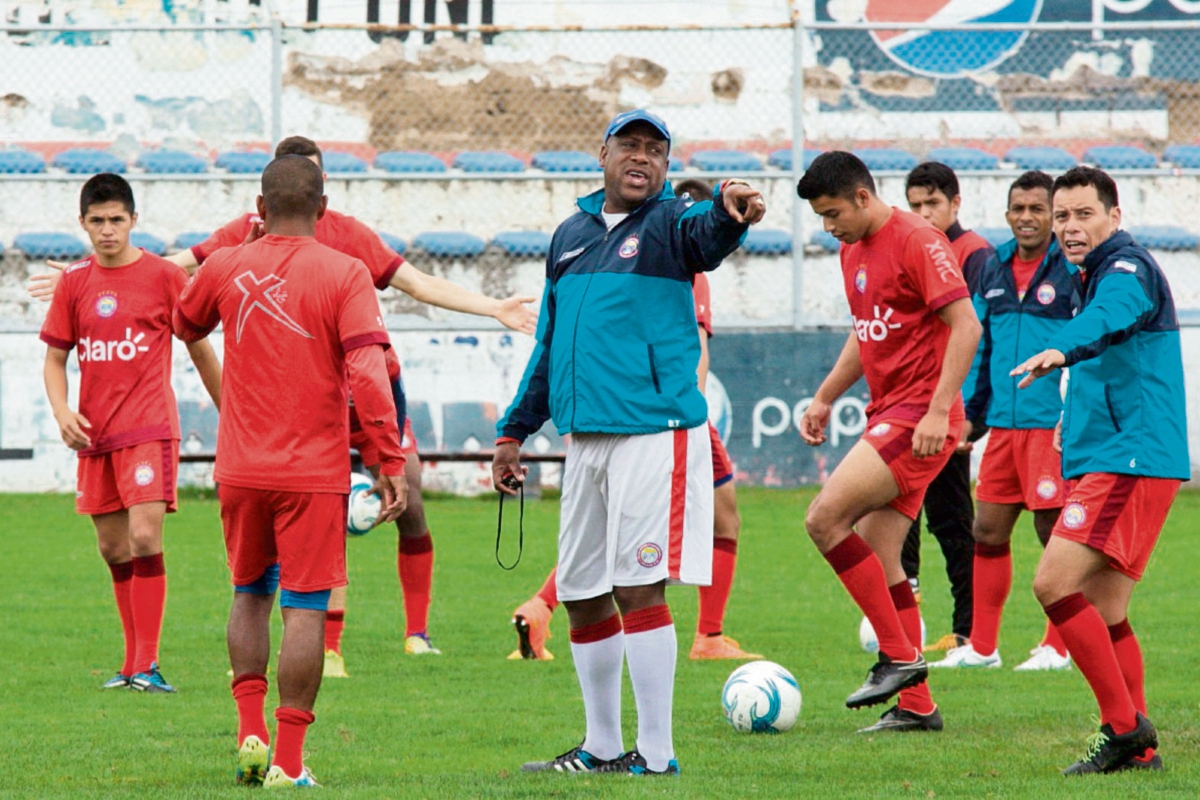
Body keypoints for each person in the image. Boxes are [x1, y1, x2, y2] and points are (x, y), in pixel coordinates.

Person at [29, 136, 536, 672]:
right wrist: (95, 270)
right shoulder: (241, 240)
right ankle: (329, 649)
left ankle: (415, 631)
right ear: (273, 198)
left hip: (369, 384)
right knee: (311, 522)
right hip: (300, 401)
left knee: (405, 498)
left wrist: (491, 306)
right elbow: (171, 268)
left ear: (320, 194)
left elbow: (415, 282)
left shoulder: (348, 237)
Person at [492, 109, 765, 775]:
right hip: (584, 438)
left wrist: (729, 214)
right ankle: (602, 746)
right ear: (604, 154)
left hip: (654, 433)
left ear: (668, 167)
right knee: (584, 590)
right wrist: (513, 430)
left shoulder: (674, 224)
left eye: (655, 150)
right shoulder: (570, 234)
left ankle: (659, 754)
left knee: (639, 587)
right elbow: (550, 344)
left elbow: (708, 236)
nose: (641, 158)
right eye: (629, 146)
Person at [174, 155, 407, 788]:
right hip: (312, 472)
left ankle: (250, 729)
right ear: (324, 208)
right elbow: (368, 373)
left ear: (259, 205)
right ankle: (290, 762)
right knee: (305, 610)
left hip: (241, 468)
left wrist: (240, 256)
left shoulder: (225, 264)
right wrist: (388, 457)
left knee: (249, 592)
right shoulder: (346, 271)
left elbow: (185, 321)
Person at [507, 178, 761, 664]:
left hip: (627, 413)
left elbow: (714, 233)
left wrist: (729, 212)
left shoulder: (667, 237)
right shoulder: (668, 252)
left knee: (612, 550)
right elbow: (696, 348)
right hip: (667, 415)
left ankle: (541, 604)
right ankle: (709, 635)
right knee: (689, 537)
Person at [796, 151, 981, 734]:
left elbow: (967, 326)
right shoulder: (852, 248)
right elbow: (866, 330)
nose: (829, 227)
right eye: (820, 218)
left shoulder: (918, 239)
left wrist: (935, 411)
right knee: (879, 554)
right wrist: (825, 395)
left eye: (832, 214)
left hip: (917, 419)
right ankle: (918, 706)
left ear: (861, 197)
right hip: (891, 411)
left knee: (825, 519)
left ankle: (900, 657)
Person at [1011, 166, 1187, 775]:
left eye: (1083, 214)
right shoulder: (1090, 275)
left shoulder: (1125, 269)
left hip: (1130, 458)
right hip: (1119, 455)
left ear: (1114, 217)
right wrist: (1070, 413)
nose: (1069, 227)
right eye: (1062, 216)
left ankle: (1122, 728)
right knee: (1105, 607)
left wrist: (1064, 347)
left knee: (1052, 584)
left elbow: (1109, 318)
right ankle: (1141, 751)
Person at [40, 173, 222, 694]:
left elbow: (199, 346)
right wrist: (62, 413)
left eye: (116, 220)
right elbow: (55, 360)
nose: (107, 231)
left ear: (133, 221)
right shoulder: (74, 282)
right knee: (113, 550)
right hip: (95, 436)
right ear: (82, 224)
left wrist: (231, 410)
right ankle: (130, 664)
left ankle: (149, 663)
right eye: (96, 221)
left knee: (144, 537)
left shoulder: (165, 276)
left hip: (149, 427)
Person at [932, 171, 1078, 672]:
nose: (1026, 218)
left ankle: (1058, 646)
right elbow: (980, 347)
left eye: (1038, 209)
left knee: (1051, 530)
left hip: (1050, 426)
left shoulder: (1070, 271)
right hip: (1002, 426)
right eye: (1018, 208)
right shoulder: (992, 266)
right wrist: (969, 418)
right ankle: (984, 648)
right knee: (988, 530)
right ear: (1007, 212)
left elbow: (1085, 348)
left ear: (1053, 216)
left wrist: (1075, 412)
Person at [901, 161, 994, 651]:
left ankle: (968, 632)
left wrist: (970, 417)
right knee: (902, 517)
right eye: (915, 205)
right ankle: (905, 624)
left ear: (955, 204)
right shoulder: (912, 246)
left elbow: (979, 339)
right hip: (910, 408)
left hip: (949, 410)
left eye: (932, 203)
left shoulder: (973, 255)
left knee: (954, 521)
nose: (923, 213)